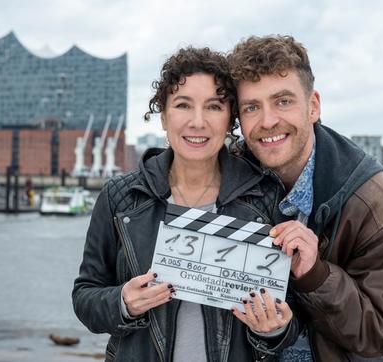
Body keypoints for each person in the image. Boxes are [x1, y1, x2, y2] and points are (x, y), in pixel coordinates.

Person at [73, 47, 298, 361]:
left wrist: (273, 330)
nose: (197, 121)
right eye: (182, 105)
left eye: (214, 106)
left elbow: (295, 317)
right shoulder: (121, 197)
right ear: (163, 116)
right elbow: (85, 296)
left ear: (230, 118)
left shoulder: (265, 196)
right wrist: (123, 302)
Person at [228, 35, 383, 361]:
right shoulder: (228, 178)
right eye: (252, 107)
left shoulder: (372, 201)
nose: (267, 121)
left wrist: (315, 275)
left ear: (313, 107)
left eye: (283, 101)